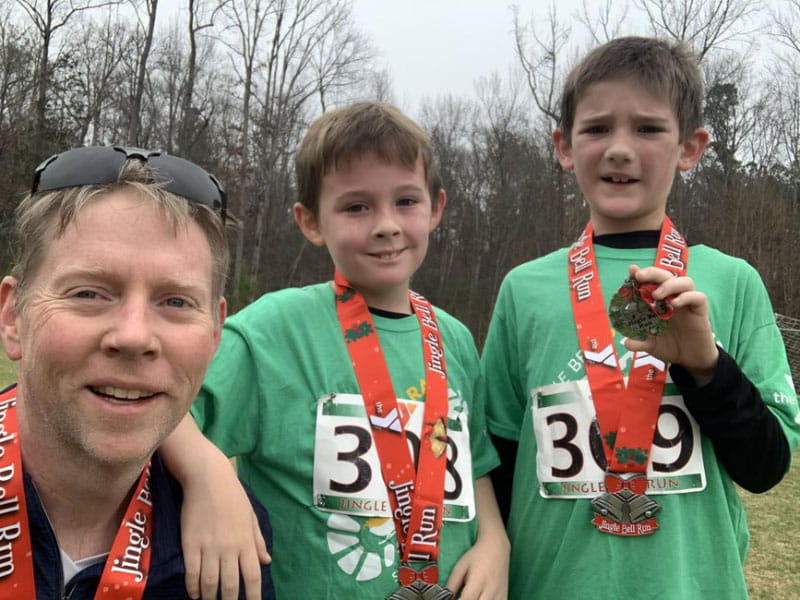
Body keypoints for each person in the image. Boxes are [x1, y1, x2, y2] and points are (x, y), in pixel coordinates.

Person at [481, 37, 800, 598]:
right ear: (563, 145)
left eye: (649, 129)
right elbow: (500, 461)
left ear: (691, 146)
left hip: (693, 585)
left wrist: (706, 367)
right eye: (598, 128)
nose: (620, 149)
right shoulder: (523, 289)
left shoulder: (731, 281)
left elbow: (766, 468)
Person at [163, 101, 510, 598]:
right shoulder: (273, 330)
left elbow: (473, 463)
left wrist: (496, 542)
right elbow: (160, 408)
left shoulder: (453, 338)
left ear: (436, 209)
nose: (386, 224)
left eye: (406, 201)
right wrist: (206, 473)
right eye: (356, 206)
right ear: (311, 221)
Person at [0, 146, 276, 599]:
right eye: (89, 293)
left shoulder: (236, 546)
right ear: (14, 317)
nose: (133, 336)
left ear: (213, 335)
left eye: (175, 302)